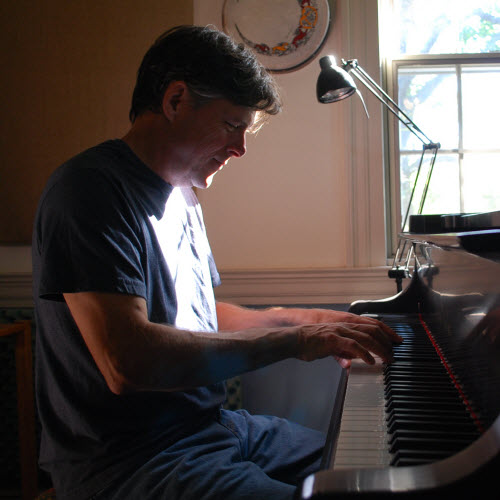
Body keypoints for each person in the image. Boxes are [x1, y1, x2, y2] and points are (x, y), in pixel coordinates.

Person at [32, 25, 402, 500]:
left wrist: (306, 319)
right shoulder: (89, 189)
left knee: (373, 469)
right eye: (231, 125)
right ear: (175, 100)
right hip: (130, 460)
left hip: (213, 428)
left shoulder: (183, 195)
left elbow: (202, 321)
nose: (240, 148)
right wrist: (296, 340)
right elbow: (128, 361)